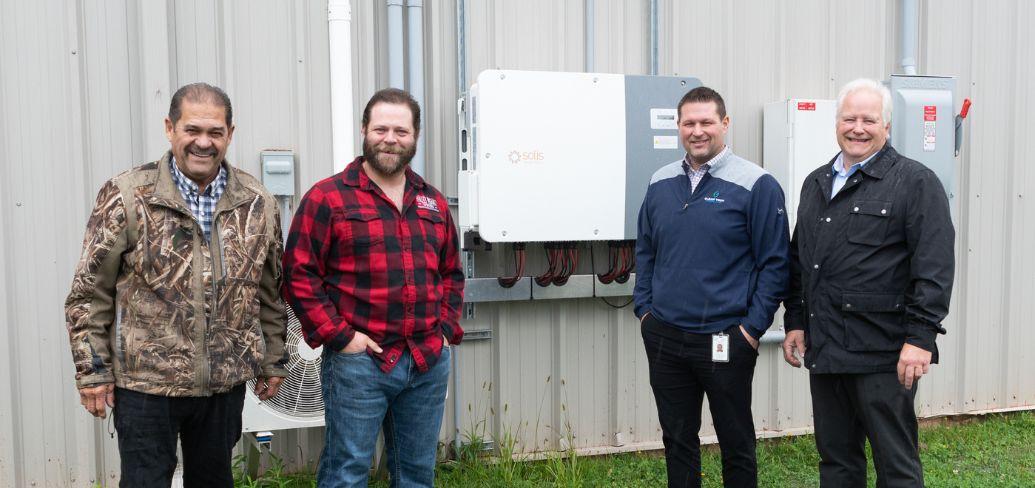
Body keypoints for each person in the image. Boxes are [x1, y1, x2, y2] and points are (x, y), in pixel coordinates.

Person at [64, 82, 289, 487]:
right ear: (170, 128)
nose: (203, 143)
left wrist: (273, 361)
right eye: (192, 130)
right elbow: (89, 293)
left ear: (230, 134)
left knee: (214, 481)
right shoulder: (129, 195)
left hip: (222, 386)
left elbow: (270, 292)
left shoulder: (258, 202)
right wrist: (93, 372)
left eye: (215, 132)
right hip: (146, 386)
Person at [282, 88, 464, 488]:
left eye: (401, 130)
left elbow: (451, 272)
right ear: (364, 130)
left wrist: (446, 331)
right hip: (359, 363)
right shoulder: (327, 198)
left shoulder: (431, 202)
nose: (390, 138)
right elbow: (298, 274)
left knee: (417, 473)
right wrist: (340, 336)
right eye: (381, 128)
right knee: (347, 471)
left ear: (415, 137)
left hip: (427, 360)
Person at [781, 78, 955, 487]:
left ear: (887, 127)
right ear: (836, 123)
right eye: (849, 118)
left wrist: (921, 337)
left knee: (896, 466)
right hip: (827, 350)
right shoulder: (817, 181)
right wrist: (796, 320)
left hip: (883, 353)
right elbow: (800, 260)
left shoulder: (915, 181)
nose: (857, 127)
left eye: (869, 120)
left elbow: (934, 267)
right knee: (836, 463)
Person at [634, 86, 790, 487]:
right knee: (677, 440)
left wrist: (751, 330)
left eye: (706, 122)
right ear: (679, 127)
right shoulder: (659, 182)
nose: (697, 131)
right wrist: (645, 311)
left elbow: (775, 263)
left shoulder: (757, 184)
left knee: (735, 442)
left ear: (725, 123)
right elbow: (646, 250)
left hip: (726, 339)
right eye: (689, 123)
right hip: (665, 336)